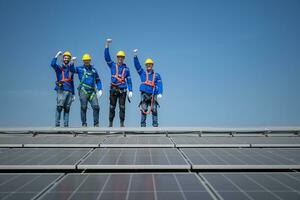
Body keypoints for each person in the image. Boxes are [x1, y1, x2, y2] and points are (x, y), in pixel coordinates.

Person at [104, 38, 133, 127]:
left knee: (122, 107)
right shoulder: (112, 65)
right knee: (112, 107)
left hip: (122, 91)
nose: (120, 58)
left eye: (122, 57)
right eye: (119, 57)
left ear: (124, 58)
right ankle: (110, 124)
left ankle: (121, 124)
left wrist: (130, 90)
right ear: (117, 58)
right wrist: (107, 46)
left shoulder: (126, 69)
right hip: (113, 89)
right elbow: (107, 57)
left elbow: (129, 81)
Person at [133, 49, 163, 127]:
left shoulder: (157, 75)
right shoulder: (142, 73)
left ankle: (155, 125)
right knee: (144, 109)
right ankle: (143, 126)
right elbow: (137, 66)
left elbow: (160, 84)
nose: (149, 65)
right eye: (147, 64)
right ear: (146, 65)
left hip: (153, 94)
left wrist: (160, 92)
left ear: (152, 65)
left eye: (150, 64)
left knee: (154, 109)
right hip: (144, 94)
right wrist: (135, 57)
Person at [72, 54, 103, 127]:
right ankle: (84, 123)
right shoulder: (79, 69)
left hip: (92, 91)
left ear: (90, 60)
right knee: (83, 107)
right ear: (83, 61)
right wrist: (72, 63)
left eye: (88, 60)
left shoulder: (94, 70)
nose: (86, 62)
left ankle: (96, 124)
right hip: (83, 90)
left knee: (96, 106)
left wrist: (100, 89)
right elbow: (72, 70)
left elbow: (98, 80)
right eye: (85, 60)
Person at [51, 51, 76, 127]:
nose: (66, 59)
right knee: (59, 107)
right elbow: (52, 64)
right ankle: (57, 125)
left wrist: (73, 93)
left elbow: (72, 82)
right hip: (61, 89)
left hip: (69, 90)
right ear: (63, 59)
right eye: (65, 58)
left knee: (67, 108)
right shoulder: (59, 68)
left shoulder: (71, 70)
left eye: (68, 58)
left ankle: (66, 125)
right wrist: (56, 56)